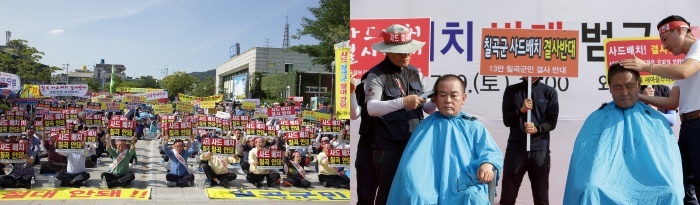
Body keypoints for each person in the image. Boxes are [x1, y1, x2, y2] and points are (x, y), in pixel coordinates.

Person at [563, 63, 683, 204]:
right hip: (606, 181)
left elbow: (669, 165)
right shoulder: (596, 119)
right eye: (618, 87)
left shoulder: (655, 119)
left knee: (671, 191)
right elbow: (585, 164)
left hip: (650, 183)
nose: (624, 92)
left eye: (629, 85)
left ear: (639, 86)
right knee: (590, 188)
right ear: (610, 88)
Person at [620, 15, 700, 204]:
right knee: (682, 184)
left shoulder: (697, 50)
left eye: (665, 39)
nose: (664, 46)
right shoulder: (685, 62)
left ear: (679, 30)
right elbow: (672, 102)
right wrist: (638, 96)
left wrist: (647, 66)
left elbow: (684, 72)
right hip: (688, 128)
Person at [387, 74, 503, 204]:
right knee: (417, 194)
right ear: (435, 99)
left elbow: (492, 153)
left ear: (463, 98)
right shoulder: (424, 126)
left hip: (463, 183)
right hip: (429, 185)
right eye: (442, 95)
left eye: (454, 95)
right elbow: (410, 164)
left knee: (473, 196)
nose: (448, 100)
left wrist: (487, 164)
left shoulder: (473, 125)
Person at [362, 24, 437, 205]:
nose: (406, 56)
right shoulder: (376, 75)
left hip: (414, 143)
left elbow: (427, 109)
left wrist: (435, 100)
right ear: (387, 52)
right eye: (401, 52)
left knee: (413, 189)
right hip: (388, 147)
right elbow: (371, 108)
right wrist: (402, 102)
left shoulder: (416, 72)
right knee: (387, 192)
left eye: (409, 51)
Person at [500, 75, 559, 205]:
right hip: (516, 149)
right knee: (507, 196)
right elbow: (507, 120)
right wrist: (521, 111)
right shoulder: (511, 90)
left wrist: (537, 129)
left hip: (539, 150)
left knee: (541, 198)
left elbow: (552, 122)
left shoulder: (549, 92)